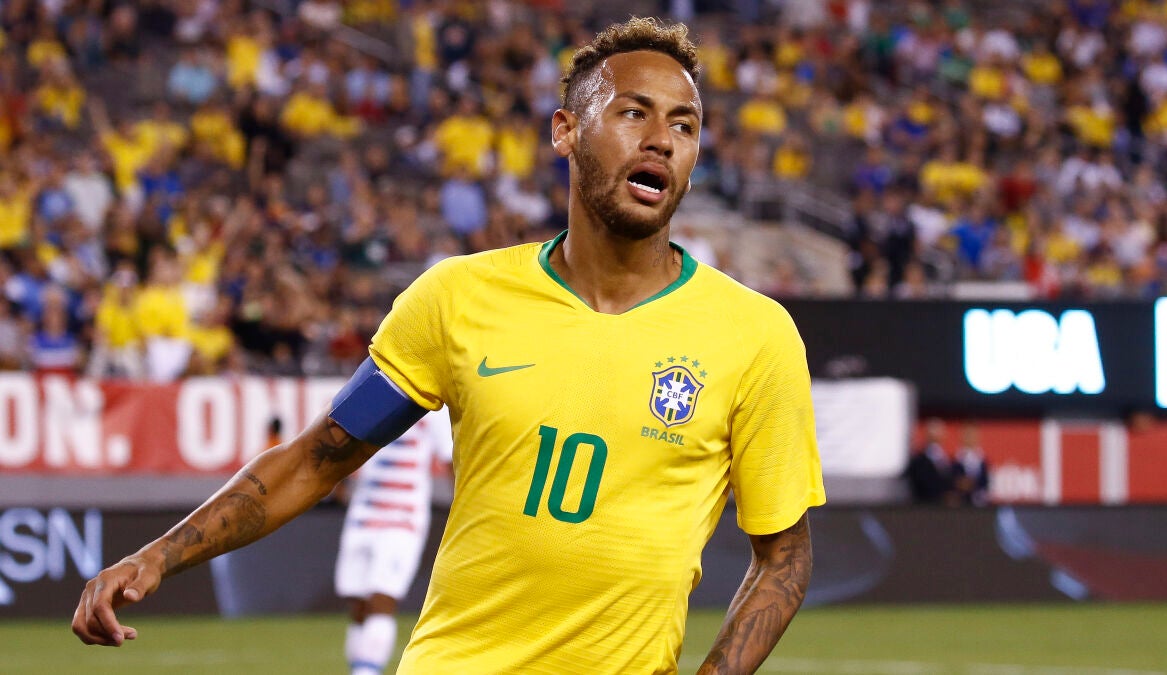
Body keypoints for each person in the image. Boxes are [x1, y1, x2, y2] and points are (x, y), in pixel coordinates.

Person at [72, 18, 826, 674]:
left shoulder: (753, 336)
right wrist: (157, 554)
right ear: (565, 131)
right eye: (633, 113)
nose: (661, 139)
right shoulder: (458, 298)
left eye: (685, 125)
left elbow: (784, 559)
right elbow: (313, 459)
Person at [335, 407, 452, 675]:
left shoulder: (433, 409)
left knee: (382, 597)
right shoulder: (374, 397)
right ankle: (361, 668)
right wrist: (339, 484)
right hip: (364, 512)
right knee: (358, 603)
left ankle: (366, 671)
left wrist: (462, 507)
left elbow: (449, 458)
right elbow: (343, 444)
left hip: (403, 517)